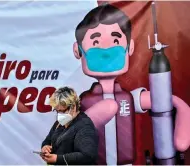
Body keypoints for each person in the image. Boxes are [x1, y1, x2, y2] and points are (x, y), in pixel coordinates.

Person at [73, 3, 190, 165]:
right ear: (77, 50)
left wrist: (184, 111)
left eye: (115, 40)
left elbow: (164, 100)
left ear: (130, 48)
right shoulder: (85, 102)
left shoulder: (128, 98)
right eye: (96, 42)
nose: (107, 50)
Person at [40, 86, 98, 165]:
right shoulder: (59, 123)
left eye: (62, 111)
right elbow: (48, 140)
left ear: (73, 107)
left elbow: (88, 155)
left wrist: (57, 158)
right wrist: (45, 147)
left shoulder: (85, 125)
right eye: (57, 111)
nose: (59, 114)